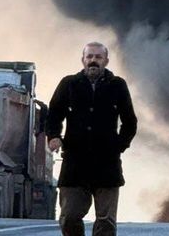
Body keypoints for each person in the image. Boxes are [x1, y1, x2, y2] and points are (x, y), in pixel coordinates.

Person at [47, 42, 138, 236]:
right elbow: (54, 114)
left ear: (106, 60)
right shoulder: (69, 84)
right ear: (83, 60)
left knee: (106, 222)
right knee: (69, 216)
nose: (93, 61)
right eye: (89, 57)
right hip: (75, 164)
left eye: (98, 57)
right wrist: (54, 136)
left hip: (107, 164)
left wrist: (118, 146)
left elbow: (129, 121)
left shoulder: (117, 85)